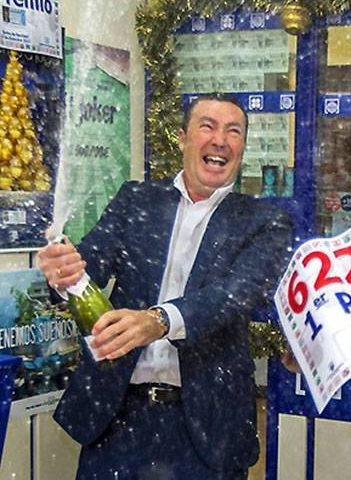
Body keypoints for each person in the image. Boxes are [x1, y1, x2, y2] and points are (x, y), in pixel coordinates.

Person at [38, 94, 291, 479]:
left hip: (206, 430)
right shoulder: (136, 200)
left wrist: (158, 321)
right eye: (207, 126)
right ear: (182, 137)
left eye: (233, 131)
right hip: (116, 419)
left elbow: (235, 294)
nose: (220, 140)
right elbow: (88, 267)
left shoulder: (264, 221)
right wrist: (63, 272)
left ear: (242, 147)